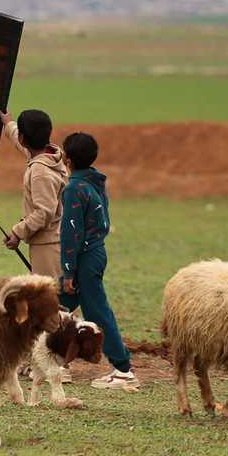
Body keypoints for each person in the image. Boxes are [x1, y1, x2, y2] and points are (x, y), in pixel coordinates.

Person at [59, 132, 138, 390]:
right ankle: (52, 360)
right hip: (95, 252)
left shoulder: (73, 189)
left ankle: (123, 369)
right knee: (57, 304)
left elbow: (71, 233)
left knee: (97, 313)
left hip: (85, 258)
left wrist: (69, 271)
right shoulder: (95, 181)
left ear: (68, 159)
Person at [0, 109, 68, 280]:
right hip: (56, 239)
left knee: (51, 294)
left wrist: (17, 232)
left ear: (23, 138)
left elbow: (44, 212)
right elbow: (21, 143)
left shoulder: (40, 172)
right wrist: (9, 124)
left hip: (48, 247)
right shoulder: (50, 155)